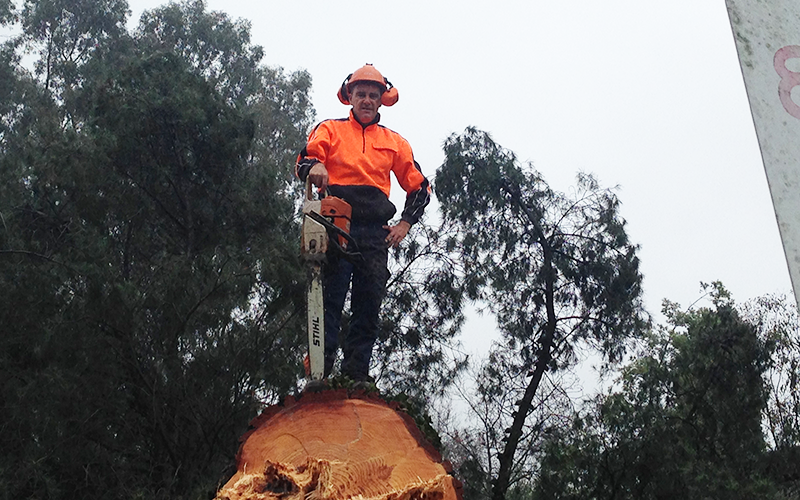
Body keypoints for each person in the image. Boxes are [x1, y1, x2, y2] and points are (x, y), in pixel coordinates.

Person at [296, 64, 430, 383]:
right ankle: (320, 369)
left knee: (368, 304)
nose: (367, 100)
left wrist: (405, 223)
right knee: (329, 299)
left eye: (373, 95)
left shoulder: (395, 142)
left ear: (382, 99)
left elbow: (420, 187)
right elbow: (305, 159)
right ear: (350, 96)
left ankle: (357, 374)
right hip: (336, 225)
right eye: (361, 94)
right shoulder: (330, 129)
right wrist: (315, 167)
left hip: (374, 233)